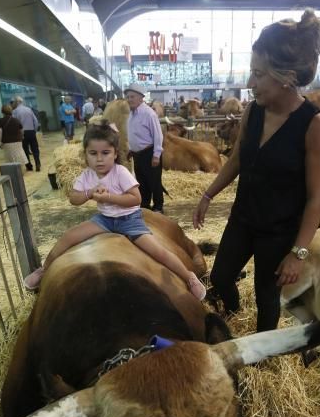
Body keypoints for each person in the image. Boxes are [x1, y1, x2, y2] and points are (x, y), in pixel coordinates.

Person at [193, 9, 320, 332]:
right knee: (220, 277)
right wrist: (207, 194)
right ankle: (233, 313)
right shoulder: (253, 112)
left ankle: (262, 354)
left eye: (258, 74)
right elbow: (238, 159)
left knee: (266, 296)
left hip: (280, 230)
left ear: (287, 78)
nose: (249, 82)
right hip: (244, 217)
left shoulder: (314, 125)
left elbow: (316, 198)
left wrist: (298, 253)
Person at [24, 122, 205, 300]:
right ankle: (44, 270)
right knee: (68, 238)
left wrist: (108, 197)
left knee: (159, 252)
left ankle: (189, 277)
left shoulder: (121, 172)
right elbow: (74, 198)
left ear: (115, 154)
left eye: (105, 153)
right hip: (105, 220)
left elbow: (136, 199)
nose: (99, 159)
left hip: (130, 220)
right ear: (85, 155)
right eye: (93, 153)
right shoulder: (88, 175)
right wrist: (89, 193)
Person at [125, 84, 165, 213]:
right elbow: (134, 133)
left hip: (149, 153)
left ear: (141, 98)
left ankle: (158, 206)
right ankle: (145, 205)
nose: (129, 99)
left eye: (132, 96)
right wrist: (131, 149)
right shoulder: (131, 114)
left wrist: (156, 155)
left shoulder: (149, 114)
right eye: (128, 97)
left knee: (154, 182)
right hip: (138, 154)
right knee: (141, 181)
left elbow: (158, 135)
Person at [12, 97, 41, 171]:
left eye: (14, 102)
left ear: (17, 102)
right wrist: (34, 130)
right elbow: (36, 121)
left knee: (25, 150)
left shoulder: (15, 111)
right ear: (21, 102)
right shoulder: (29, 109)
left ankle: (29, 166)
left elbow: (14, 124)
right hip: (31, 131)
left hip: (22, 133)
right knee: (35, 148)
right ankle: (37, 163)